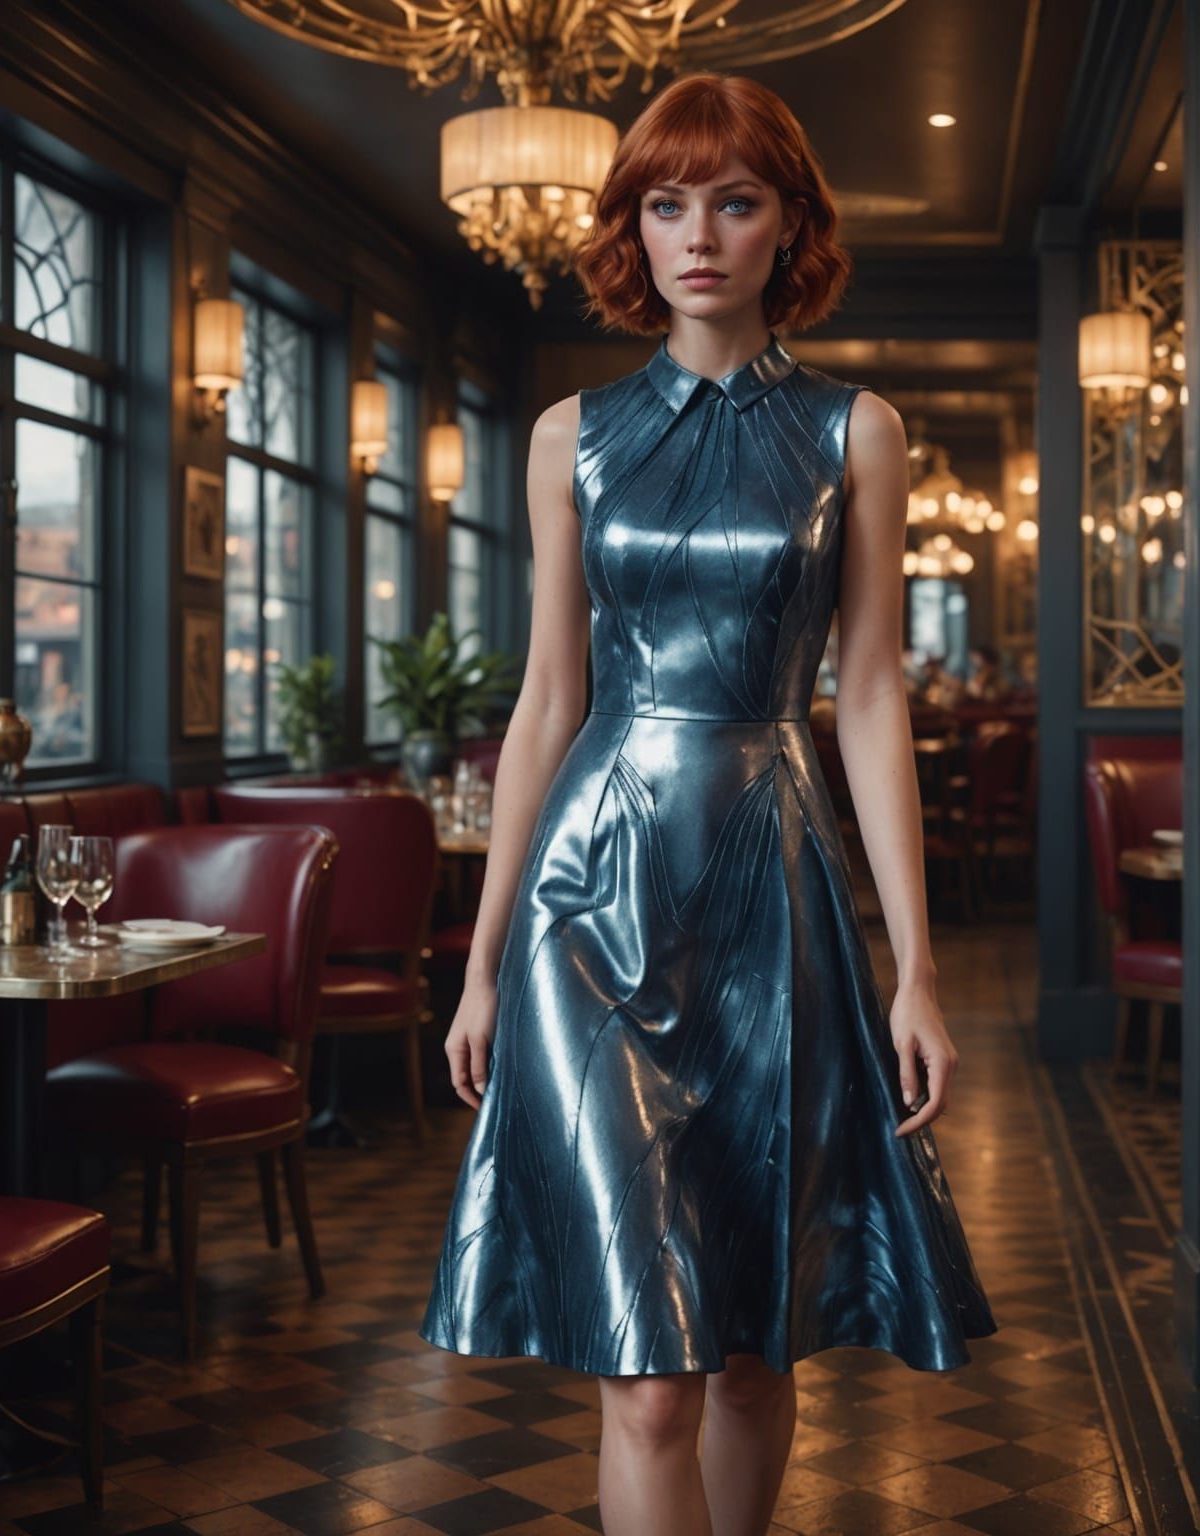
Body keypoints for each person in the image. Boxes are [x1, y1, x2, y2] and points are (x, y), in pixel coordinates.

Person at [418, 72, 995, 1536]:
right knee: (650, 1376)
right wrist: (483, 962)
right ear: (633, 226)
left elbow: (866, 698)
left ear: (787, 223)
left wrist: (915, 970)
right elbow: (548, 701)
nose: (698, 235)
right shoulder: (569, 436)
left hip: (773, 900)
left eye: (733, 202)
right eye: (666, 203)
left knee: (749, 1347)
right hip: (584, 914)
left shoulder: (857, 431)